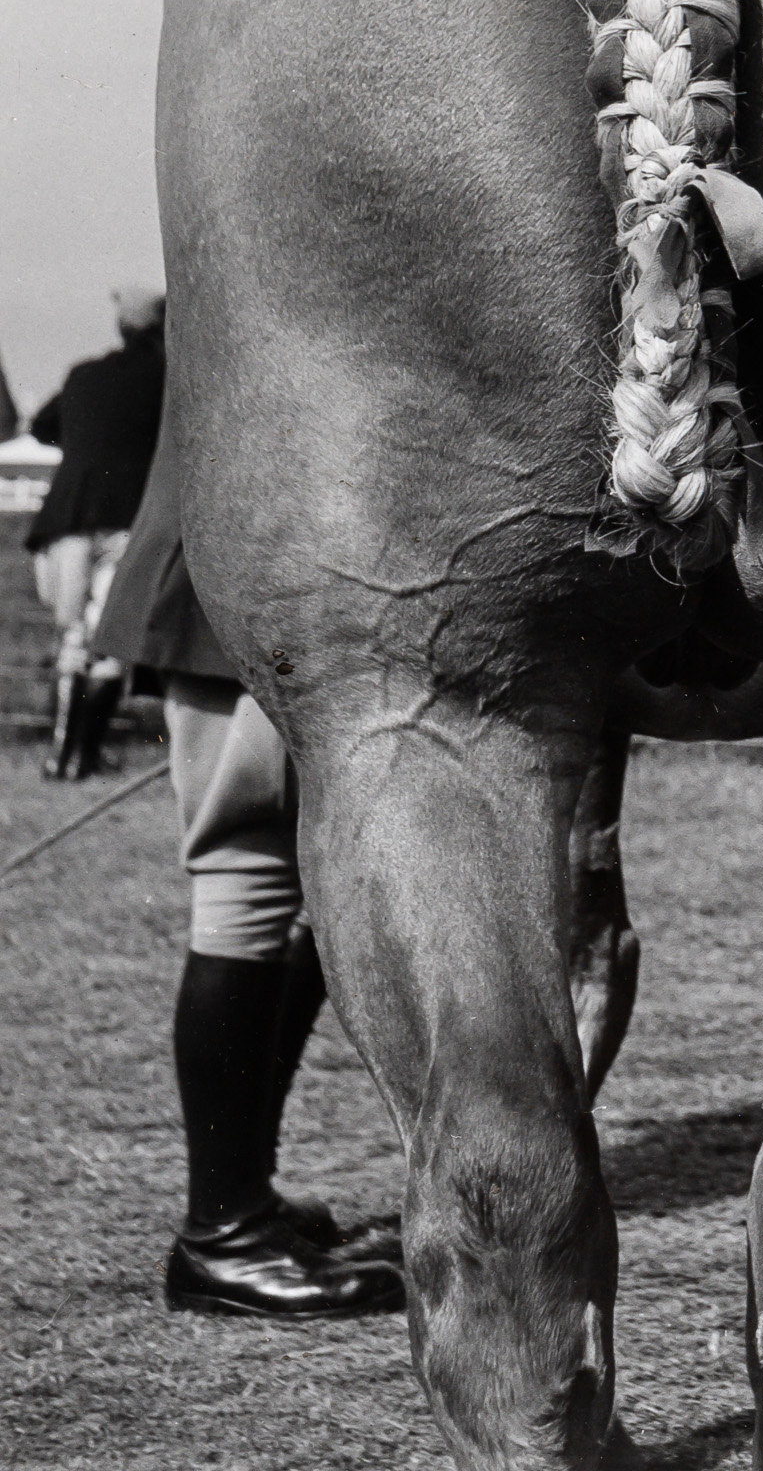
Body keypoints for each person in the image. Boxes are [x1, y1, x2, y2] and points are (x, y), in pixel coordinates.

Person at [95, 402, 403, 1318]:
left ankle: (244, 1198)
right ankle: (222, 1234)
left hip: (282, 569)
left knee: (302, 894)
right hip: (240, 580)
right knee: (247, 881)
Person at [25, 287, 167, 779]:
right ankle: (85, 754)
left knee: (73, 637)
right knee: (109, 641)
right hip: (128, 520)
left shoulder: (84, 374)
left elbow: (43, 425)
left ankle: (58, 756)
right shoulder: (165, 379)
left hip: (68, 517)